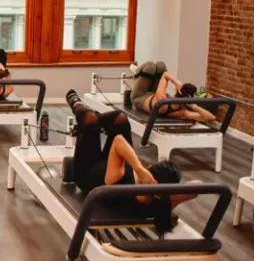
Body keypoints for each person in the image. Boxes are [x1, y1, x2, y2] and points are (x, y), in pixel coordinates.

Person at [67, 89, 200, 229]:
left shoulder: (119, 180)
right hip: (113, 162)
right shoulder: (162, 201)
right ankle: (89, 125)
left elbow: (119, 141)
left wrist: (138, 168)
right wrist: (169, 191)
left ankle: (78, 107)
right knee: (120, 119)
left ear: (148, 172)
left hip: (88, 171)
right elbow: (198, 186)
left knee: (90, 118)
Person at [130, 61, 217, 122]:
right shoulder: (181, 112)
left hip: (138, 97)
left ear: (178, 90)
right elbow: (211, 118)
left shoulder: (162, 99)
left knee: (150, 66)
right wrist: (194, 106)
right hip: (151, 95)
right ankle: (139, 75)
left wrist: (175, 81)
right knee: (161, 66)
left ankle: (136, 73)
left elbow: (165, 75)